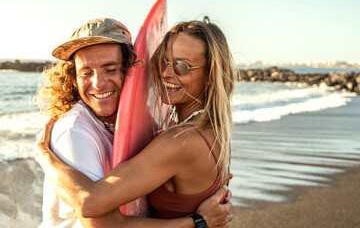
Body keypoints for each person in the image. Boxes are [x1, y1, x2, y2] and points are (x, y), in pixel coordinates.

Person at [35, 16, 235, 227]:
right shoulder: (211, 127)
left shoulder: (180, 141)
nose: (166, 73)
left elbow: (89, 204)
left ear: (210, 75)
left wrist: (44, 156)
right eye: (163, 61)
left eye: (181, 67)